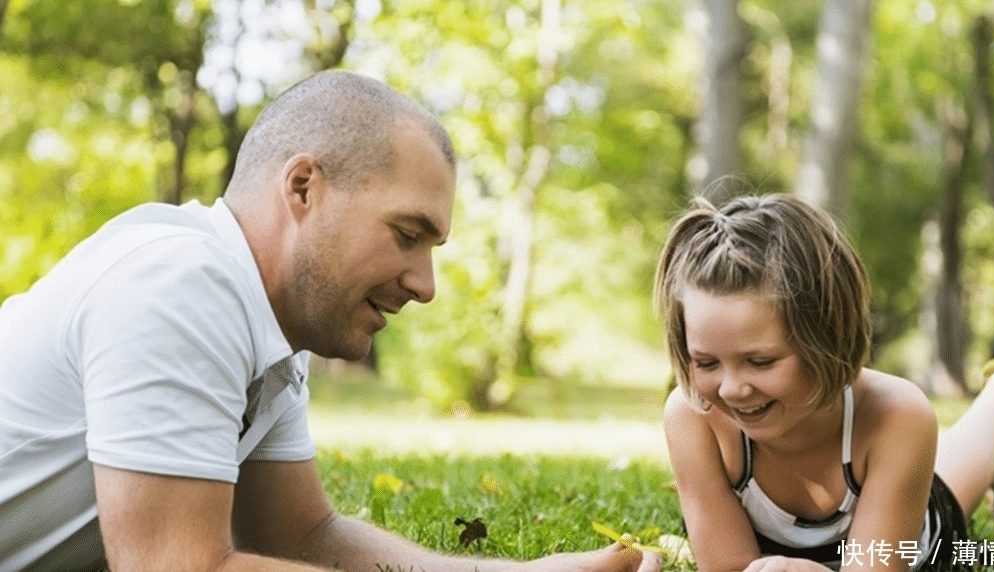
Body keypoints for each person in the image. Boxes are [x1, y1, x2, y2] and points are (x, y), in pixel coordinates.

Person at [0, 70, 661, 572]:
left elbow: (303, 536)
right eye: (407, 234)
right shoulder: (180, 283)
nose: (425, 286)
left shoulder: (267, 335)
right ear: (303, 188)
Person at [656, 193, 994, 572]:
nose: (731, 389)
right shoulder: (694, 419)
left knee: (945, 486)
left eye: (760, 362)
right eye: (706, 362)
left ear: (826, 335)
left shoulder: (897, 415)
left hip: (912, 551)